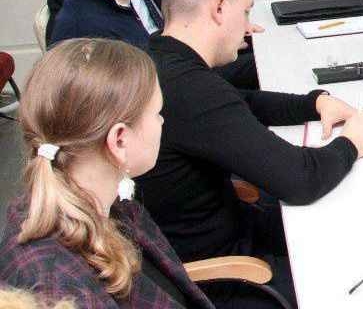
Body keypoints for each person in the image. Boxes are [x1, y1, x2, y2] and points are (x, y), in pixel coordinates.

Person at [136, 0, 363, 307]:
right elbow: (300, 179)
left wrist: (313, 103)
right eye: (245, 11)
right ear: (219, 8)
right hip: (227, 277)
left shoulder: (160, 57)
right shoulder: (190, 88)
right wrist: (352, 142)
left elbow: (238, 103)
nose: (247, 26)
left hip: (223, 232)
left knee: (357, 227)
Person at [0, 38, 214, 309]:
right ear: (119, 140)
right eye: (157, 112)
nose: (162, 121)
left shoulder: (92, 199)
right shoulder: (58, 290)